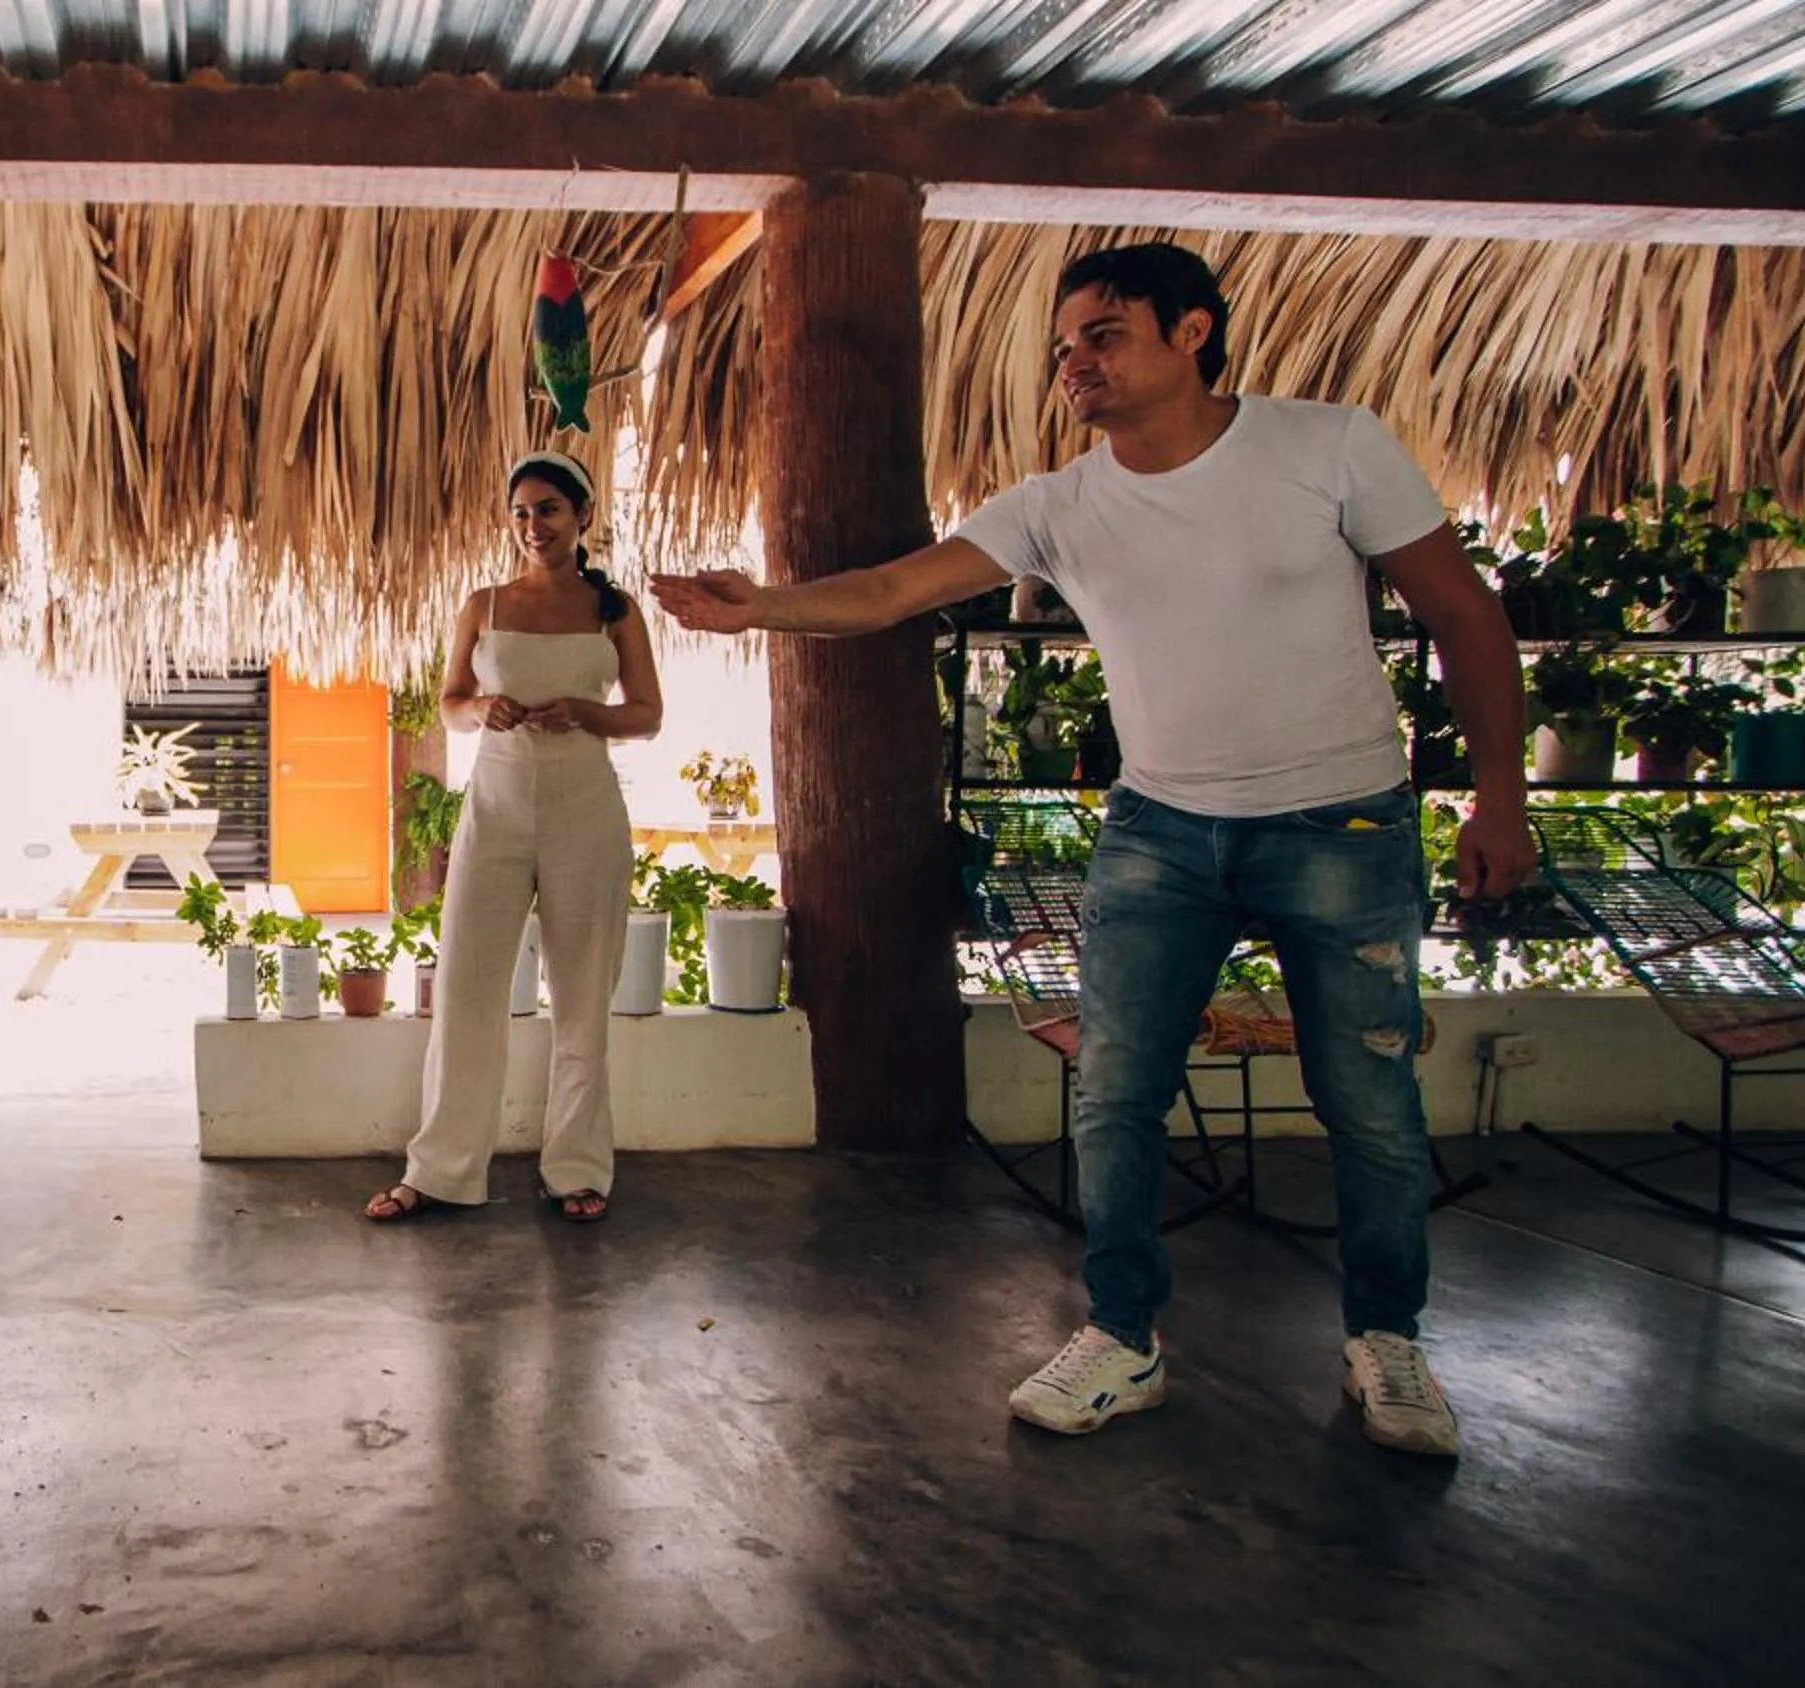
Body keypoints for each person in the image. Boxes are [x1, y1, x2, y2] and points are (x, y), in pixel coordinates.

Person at [649, 242, 1531, 1457]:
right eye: (1065, 346)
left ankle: (1388, 1341)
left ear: (1195, 332)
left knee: (1367, 1099)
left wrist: (1499, 800)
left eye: (1104, 335)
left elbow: (1463, 612)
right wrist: (759, 607)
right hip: (1160, 831)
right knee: (1114, 1094)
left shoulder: (1329, 446)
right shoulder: (1060, 504)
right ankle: (1122, 1335)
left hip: (1345, 821)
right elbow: (893, 590)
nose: (1075, 363)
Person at [368, 451, 665, 1225]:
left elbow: (646, 714)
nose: (533, 526)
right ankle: (438, 1171)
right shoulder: (484, 603)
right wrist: (481, 710)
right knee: (466, 990)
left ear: (583, 517)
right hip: (494, 808)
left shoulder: (616, 609)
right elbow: (450, 702)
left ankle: (577, 1169)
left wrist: (586, 711)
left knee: (581, 998)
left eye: (549, 510)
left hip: (584, 809)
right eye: (521, 512)